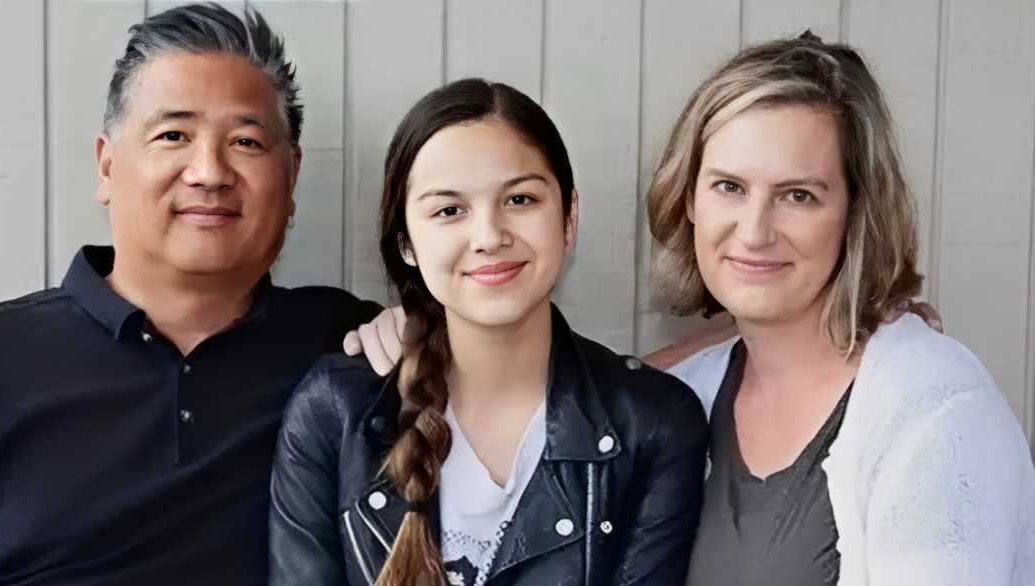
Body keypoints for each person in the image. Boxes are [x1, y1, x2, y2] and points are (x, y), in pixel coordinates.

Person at [0, 5, 383, 584]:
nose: (209, 171)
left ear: (291, 178)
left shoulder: (344, 346)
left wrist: (426, 331)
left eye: (245, 141)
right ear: (107, 167)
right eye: (173, 135)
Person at [268, 78, 709, 586]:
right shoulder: (336, 410)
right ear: (406, 243)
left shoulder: (653, 423)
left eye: (520, 200)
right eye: (449, 210)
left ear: (569, 217)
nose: (490, 236)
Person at [645, 33, 1035, 584]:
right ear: (689, 199)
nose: (754, 231)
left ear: (857, 212)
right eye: (729, 187)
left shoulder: (938, 410)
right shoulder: (692, 390)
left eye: (798, 195)